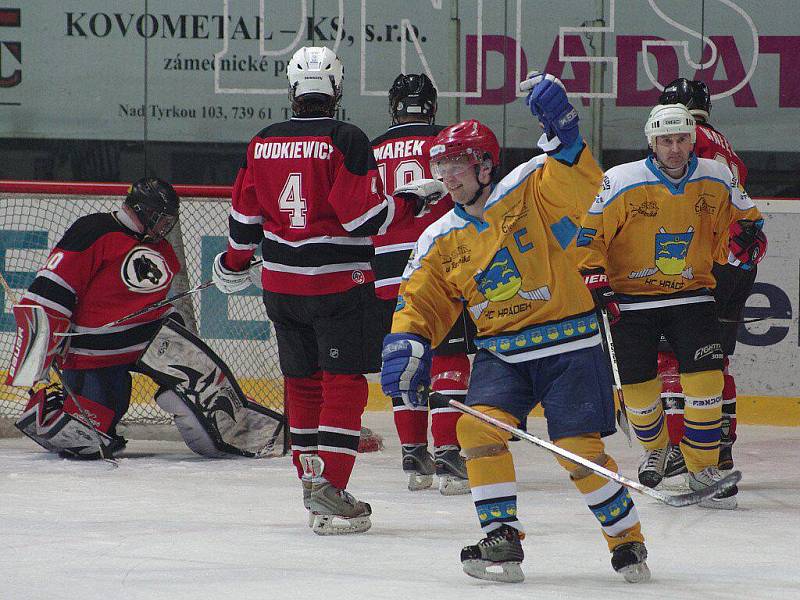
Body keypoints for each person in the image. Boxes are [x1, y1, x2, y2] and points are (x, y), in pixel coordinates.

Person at [381, 74, 650, 584]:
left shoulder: (528, 185)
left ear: (484, 165)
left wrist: (568, 139)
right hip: (502, 353)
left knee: (580, 451)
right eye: (440, 167)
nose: (447, 177)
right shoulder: (439, 236)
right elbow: (420, 300)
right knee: (476, 427)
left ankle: (626, 540)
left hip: (568, 342)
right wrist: (406, 341)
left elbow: (582, 192)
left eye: (456, 165)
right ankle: (501, 536)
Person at [212, 47, 436, 535]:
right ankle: (331, 489)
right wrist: (410, 201)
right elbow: (364, 219)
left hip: (282, 289)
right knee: (343, 384)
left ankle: (312, 483)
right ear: (335, 90)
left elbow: (244, 223)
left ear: (292, 89)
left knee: (303, 383)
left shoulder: (261, 142)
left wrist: (230, 265)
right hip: (338, 286)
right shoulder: (346, 138)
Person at [576, 102, 764, 510]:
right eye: (666, 140)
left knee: (706, 381)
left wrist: (747, 240)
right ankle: (657, 450)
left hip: (692, 293)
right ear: (651, 142)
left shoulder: (717, 176)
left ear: (692, 140)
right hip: (632, 299)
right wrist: (595, 276)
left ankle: (701, 467)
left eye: (681, 139)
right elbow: (588, 237)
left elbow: (748, 222)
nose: (674, 148)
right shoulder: (620, 180)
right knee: (639, 389)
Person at [7, 177, 181, 458]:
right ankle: (55, 409)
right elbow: (54, 286)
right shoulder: (93, 230)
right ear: (141, 210)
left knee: (110, 408)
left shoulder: (157, 246)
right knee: (97, 416)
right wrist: (45, 341)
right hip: (90, 350)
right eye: (160, 218)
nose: (164, 227)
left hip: (137, 344)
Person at [655, 78, 766, 476]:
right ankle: (720, 446)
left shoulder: (682, 138)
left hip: (702, 258)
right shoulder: (723, 141)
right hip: (739, 262)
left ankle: (679, 450)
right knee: (714, 361)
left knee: (671, 357)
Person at [371, 72, 473, 495]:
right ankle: (448, 453)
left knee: (403, 358)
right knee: (449, 359)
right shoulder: (446, 142)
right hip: (439, 262)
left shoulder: (371, 149)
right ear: (431, 105)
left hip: (386, 267)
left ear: (394, 106)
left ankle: (413, 453)